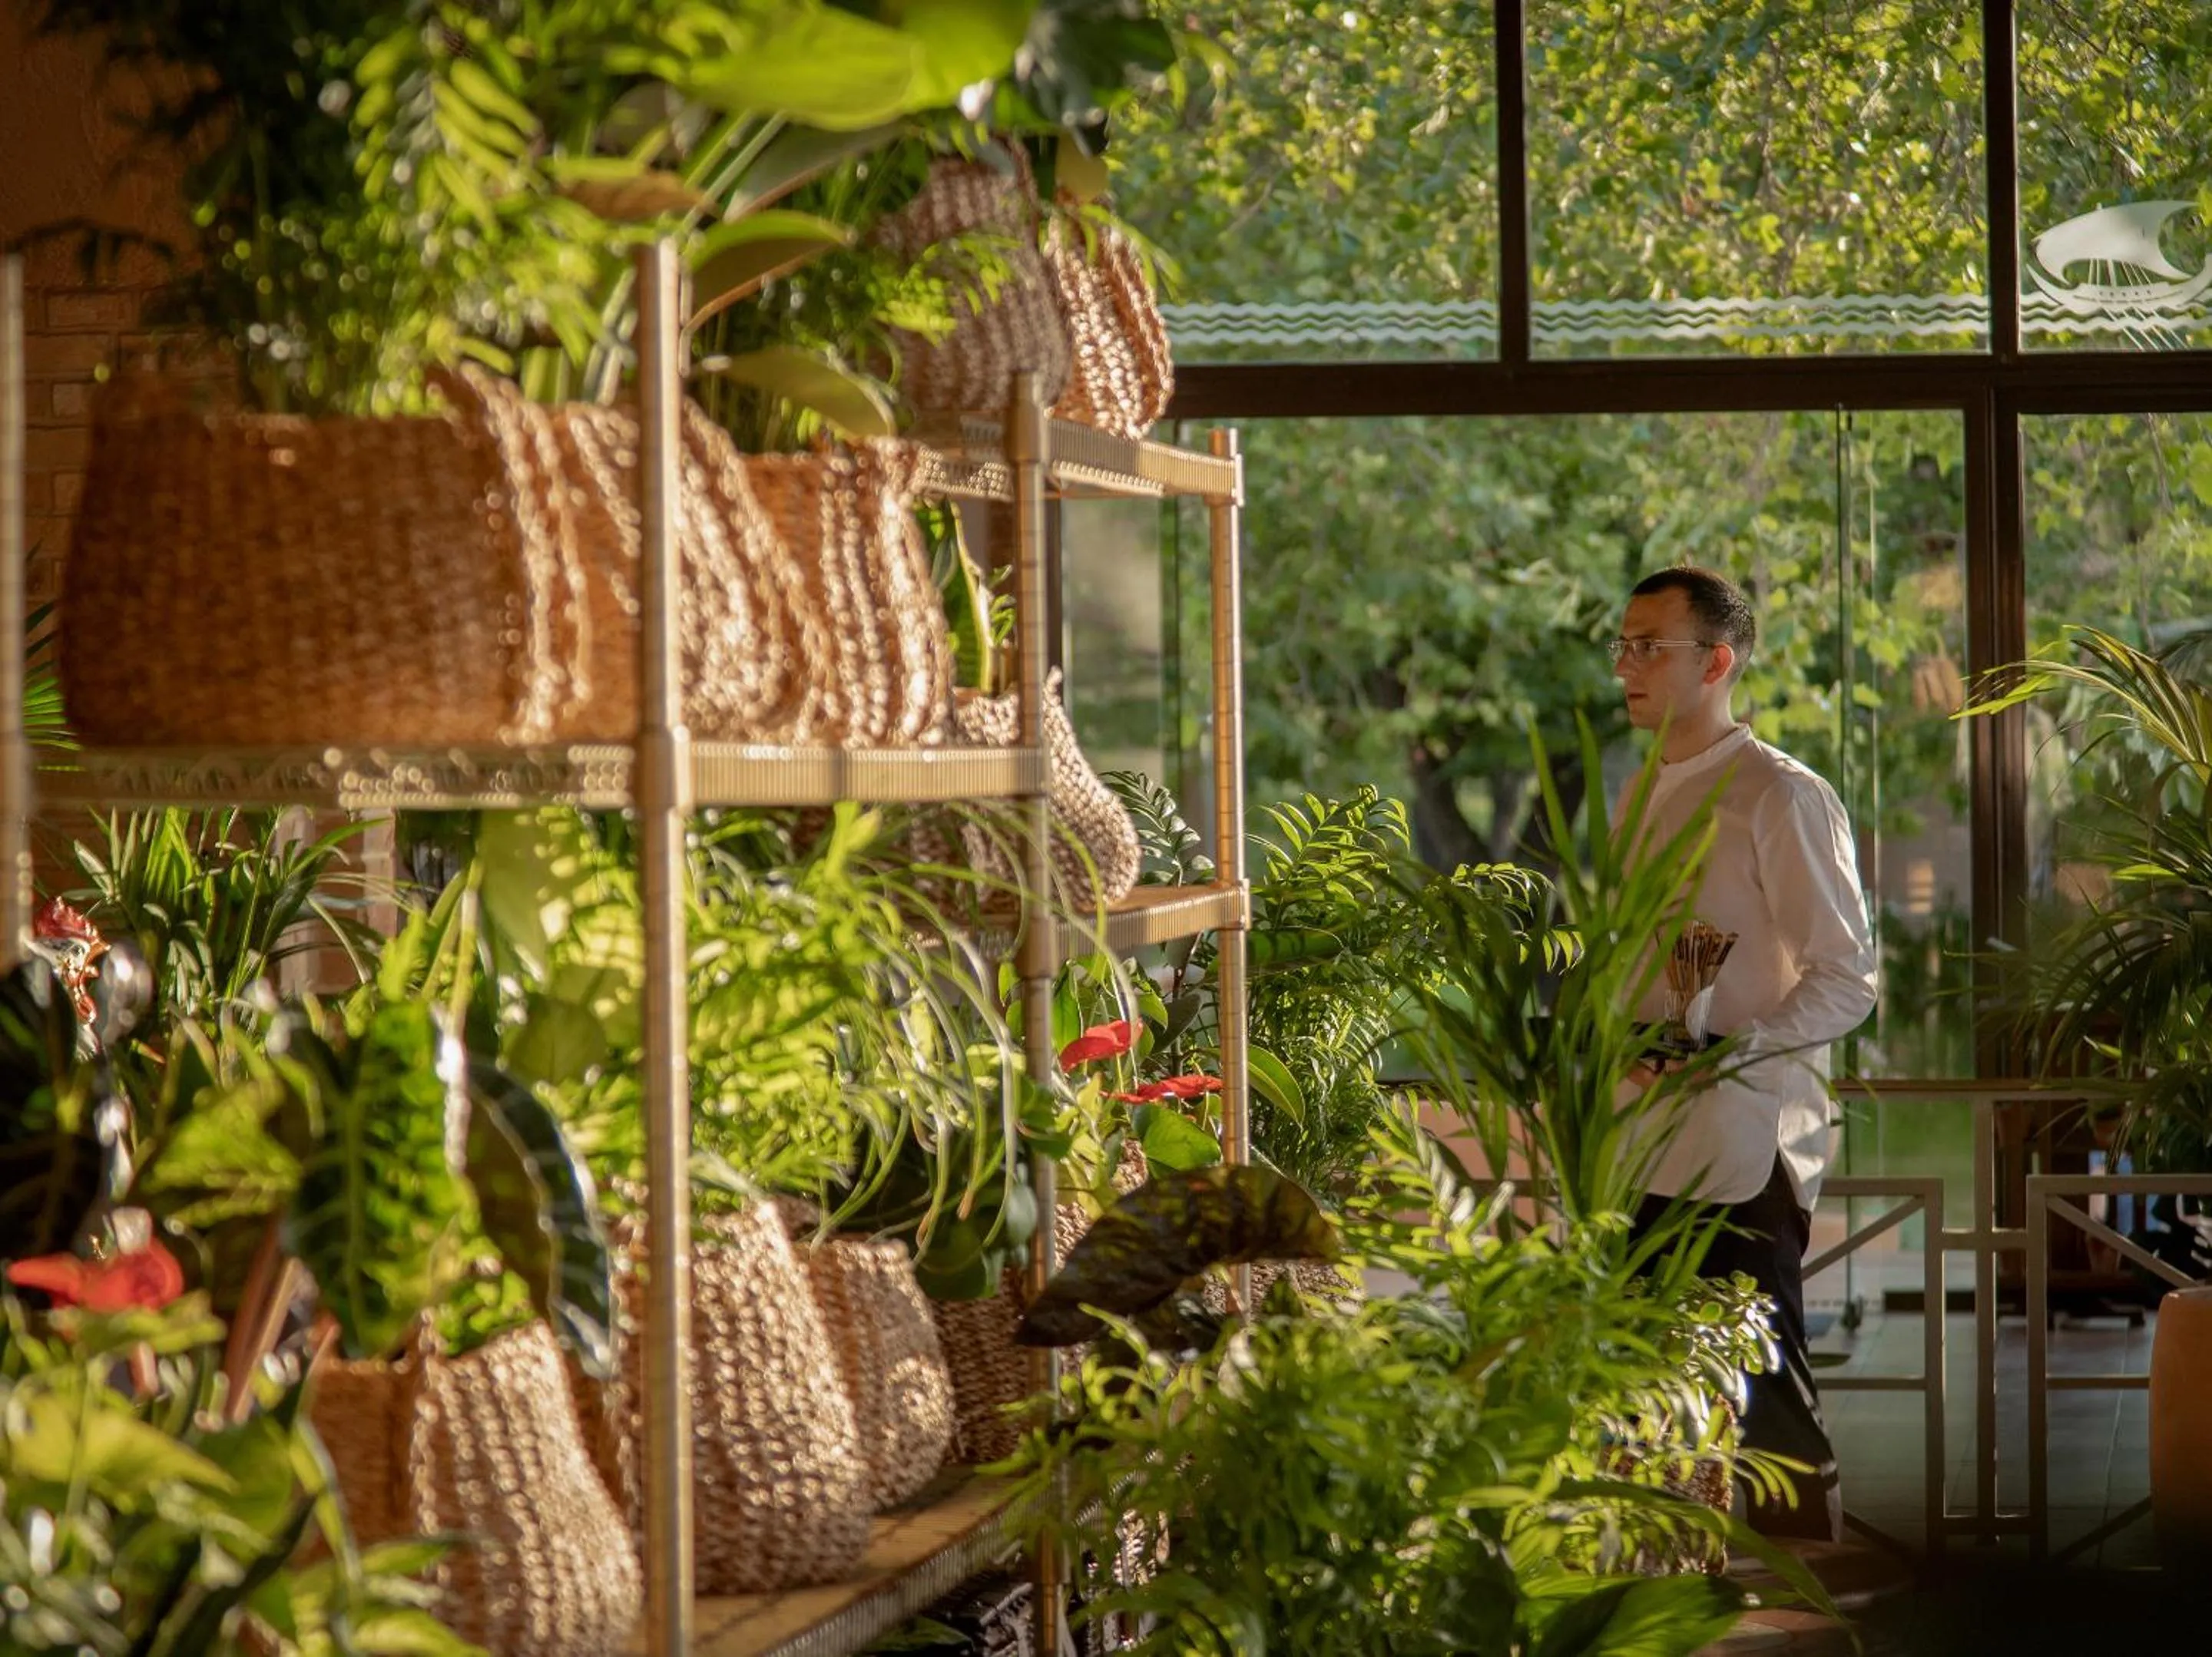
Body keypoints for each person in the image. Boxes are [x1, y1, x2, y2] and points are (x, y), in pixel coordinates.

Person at [1610, 564, 1878, 1543]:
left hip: (1745, 1140)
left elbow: (1850, 977)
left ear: (1717, 661)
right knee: (1655, 1407)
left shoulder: (1782, 795)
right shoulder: (1638, 793)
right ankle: (1679, 1601)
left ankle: (1816, 1616)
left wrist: (1732, 1049)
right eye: (1623, 646)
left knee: (1767, 1411)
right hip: (1642, 1137)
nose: (1627, 666)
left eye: (1650, 646)